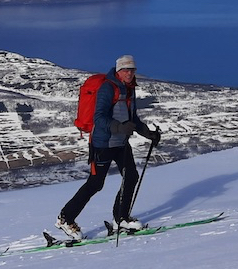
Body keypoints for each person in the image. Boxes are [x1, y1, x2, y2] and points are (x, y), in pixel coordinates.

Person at [56, 54, 161, 238]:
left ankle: (121, 218)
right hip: (102, 144)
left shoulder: (129, 90)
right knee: (95, 184)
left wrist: (147, 133)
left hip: (121, 143)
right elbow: (99, 117)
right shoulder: (107, 88)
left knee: (131, 177)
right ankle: (66, 218)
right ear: (119, 71)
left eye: (132, 70)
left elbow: (132, 119)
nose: (129, 73)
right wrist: (120, 127)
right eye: (126, 70)